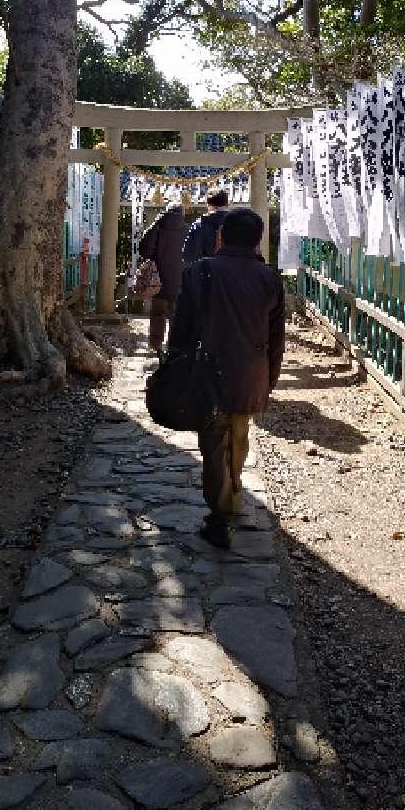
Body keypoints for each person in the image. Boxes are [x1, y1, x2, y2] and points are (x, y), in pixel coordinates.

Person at [168, 207, 285, 548]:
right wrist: (269, 380)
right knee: (238, 434)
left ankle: (221, 516)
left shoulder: (200, 272)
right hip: (252, 373)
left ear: (221, 235)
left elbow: (181, 331)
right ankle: (231, 497)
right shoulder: (270, 279)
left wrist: (176, 370)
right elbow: (277, 339)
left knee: (215, 442)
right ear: (257, 238)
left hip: (209, 371)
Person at [139, 203, 188, 354]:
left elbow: (144, 251)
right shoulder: (188, 230)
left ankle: (156, 346)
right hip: (180, 280)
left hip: (157, 280)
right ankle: (175, 347)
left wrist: (155, 224)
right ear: (182, 214)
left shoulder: (158, 227)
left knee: (157, 313)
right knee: (177, 315)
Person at [182, 188, 229, 263]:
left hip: (206, 271)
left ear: (208, 204)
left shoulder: (199, 224)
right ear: (227, 203)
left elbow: (189, 255)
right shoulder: (238, 224)